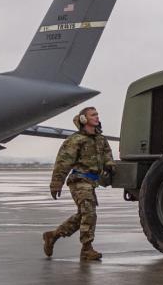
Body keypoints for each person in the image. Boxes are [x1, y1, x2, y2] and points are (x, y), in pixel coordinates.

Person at [42, 107, 114, 261]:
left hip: (92, 182)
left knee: (83, 215)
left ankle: (53, 236)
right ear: (83, 119)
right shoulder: (75, 140)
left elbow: (108, 155)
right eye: (93, 115)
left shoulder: (101, 139)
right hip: (79, 181)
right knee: (89, 213)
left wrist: (109, 165)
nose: (97, 117)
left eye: (97, 114)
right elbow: (63, 163)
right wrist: (56, 184)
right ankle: (87, 249)